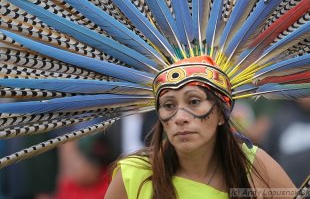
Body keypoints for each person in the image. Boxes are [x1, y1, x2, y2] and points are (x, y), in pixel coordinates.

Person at [105, 56, 295, 199]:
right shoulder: (134, 175)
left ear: (221, 114)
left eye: (194, 101)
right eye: (169, 105)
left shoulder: (253, 165)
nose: (180, 118)